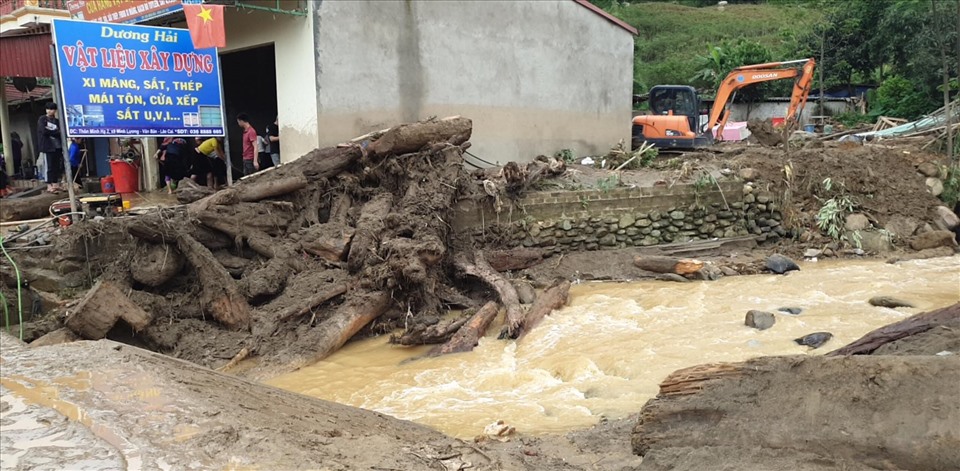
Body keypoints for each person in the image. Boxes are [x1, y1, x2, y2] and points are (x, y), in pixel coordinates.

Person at [37, 102, 64, 193]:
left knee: (56, 166)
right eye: (48, 109)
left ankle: (55, 184)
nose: (49, 111)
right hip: (47, 147)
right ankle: (49, 185)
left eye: (52, 109)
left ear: (55, 110)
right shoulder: (42, 119)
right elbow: (44, 131)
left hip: (57, 146)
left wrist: (54, 132)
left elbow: (61, 132)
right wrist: (55, 132)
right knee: (49, 166)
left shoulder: (56, 121)